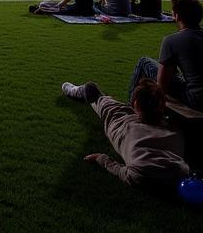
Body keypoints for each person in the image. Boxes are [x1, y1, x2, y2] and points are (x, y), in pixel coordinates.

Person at [59, 78, 188, 190]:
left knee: (92, 90)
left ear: (135, 105)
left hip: (122, 120)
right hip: (155, 122)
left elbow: (120, 171)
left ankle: (76, 91)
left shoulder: (140, 171)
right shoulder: (176, 133)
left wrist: (101, 158)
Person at [127, 0, 203, 115]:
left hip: (202, 103)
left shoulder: (171, 40)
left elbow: (162, 86)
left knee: (144, 62)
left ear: (177, 16)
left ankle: (130, 108)